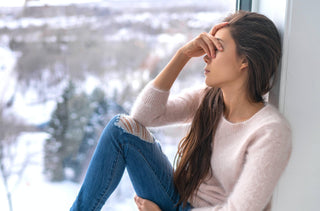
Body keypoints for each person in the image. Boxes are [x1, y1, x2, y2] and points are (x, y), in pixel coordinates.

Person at [70, 10, 292, 211]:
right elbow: (143, 117)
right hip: (178, 197)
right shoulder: (208, 98)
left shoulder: (269, 131)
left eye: (217, 48)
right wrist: (182, 55)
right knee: (120, 128)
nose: (207, 55)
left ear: (244, 60)